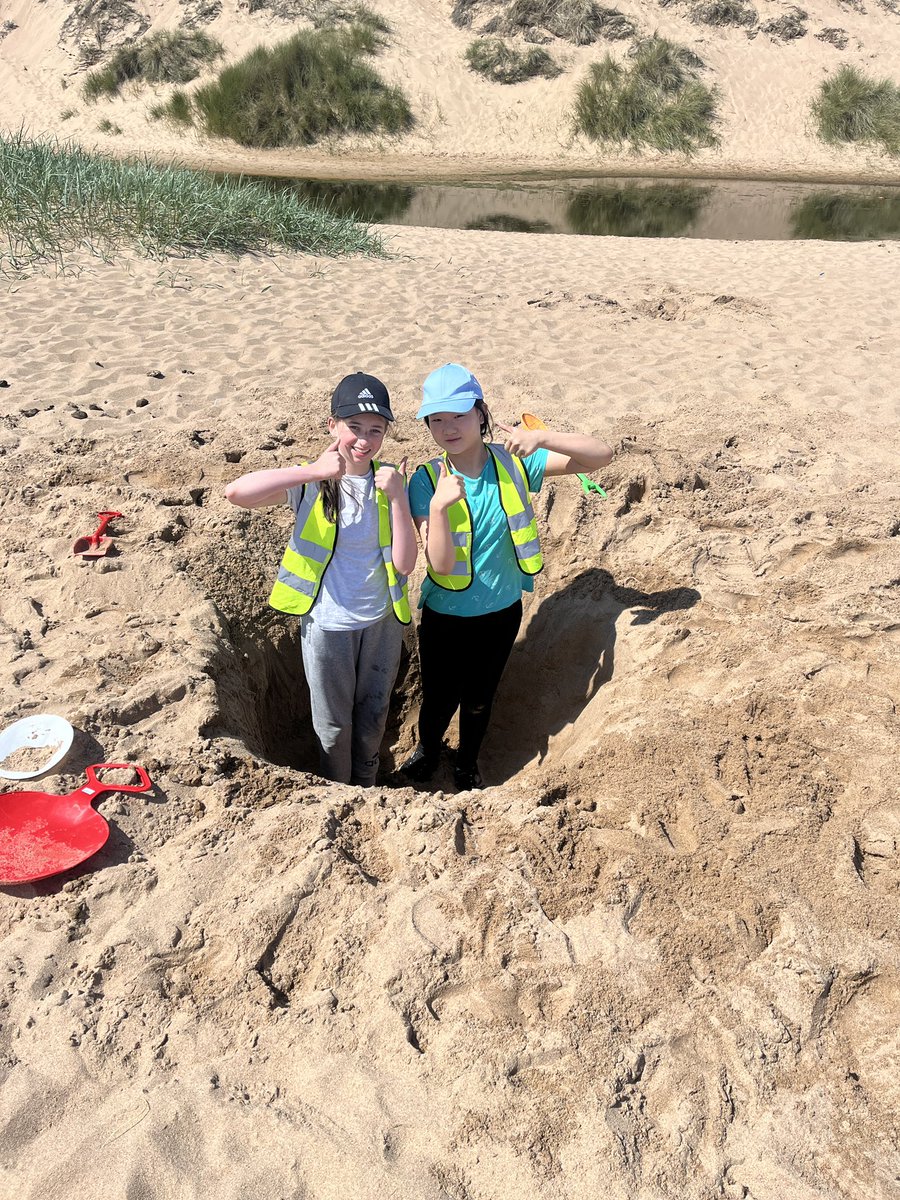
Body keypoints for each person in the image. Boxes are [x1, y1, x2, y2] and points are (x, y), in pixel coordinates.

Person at [401, 362, 613, 791]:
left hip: (502, 612)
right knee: (439, 697)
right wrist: (440, 507)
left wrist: (543, 437)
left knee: (480, 698)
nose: (448, 428)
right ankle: (427, 749)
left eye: (458, 415)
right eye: (436, 420)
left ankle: (467, 760)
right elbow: (439, 565)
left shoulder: (514, 463)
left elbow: (601, 456)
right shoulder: (426, 481)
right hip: (445, 615)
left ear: (481, 413)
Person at [224, 372, 417, 787]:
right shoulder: (310, 482)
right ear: (332, 425)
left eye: (375, 430)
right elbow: (236, 493)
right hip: (327, 625)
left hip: (381, 623)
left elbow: (404, 564)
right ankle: (338, 790)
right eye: (354, 427)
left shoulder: (389, 483)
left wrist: (399, 497)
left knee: (372, 715)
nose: (363, 440)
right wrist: (311, 471)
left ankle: (367, 785)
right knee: (332, 725)